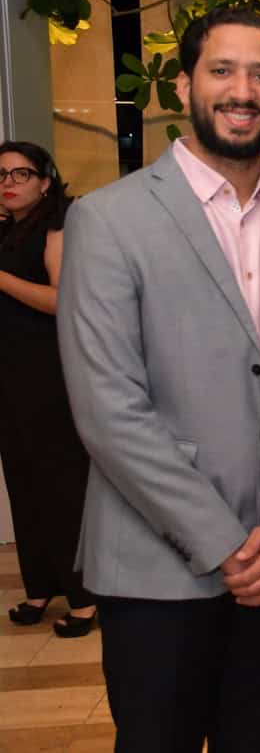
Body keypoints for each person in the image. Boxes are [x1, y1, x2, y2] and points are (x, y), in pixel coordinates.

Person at [57, 8, 260, 752]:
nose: (242, 91)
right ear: (185, 85)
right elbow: (108, 411)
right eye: (222, 71)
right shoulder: (107, 220)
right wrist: (224, 543)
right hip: (156, 568)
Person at [0, 141, 96, 637]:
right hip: (10, 375)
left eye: (21, 173)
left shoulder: (56, 229)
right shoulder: (5, 231)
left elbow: (62, 300)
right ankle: (40, 587)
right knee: (23, 484)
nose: (9, 183)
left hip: (49, 375)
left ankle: (84, 598)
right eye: (2, 175)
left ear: (44, 181)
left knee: (62, 487)